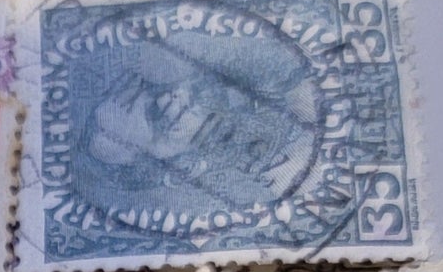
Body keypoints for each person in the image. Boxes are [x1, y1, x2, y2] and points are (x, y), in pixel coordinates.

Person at [63, 20, 318, 222]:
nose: (172, 96)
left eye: (153, 90)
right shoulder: (299, 184)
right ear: (185, 169)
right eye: (159, 118)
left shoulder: (273, 61)